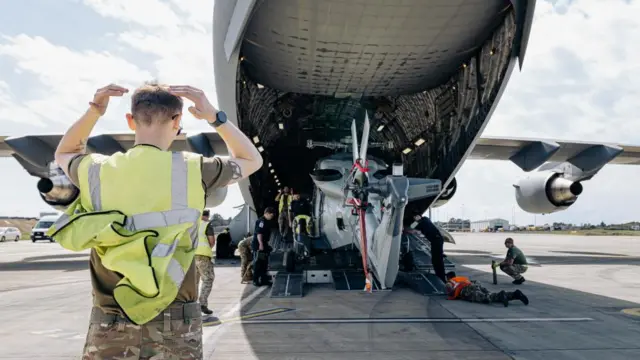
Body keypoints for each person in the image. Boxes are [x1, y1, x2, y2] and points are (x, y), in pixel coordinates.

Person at [47, 82, 262, 359]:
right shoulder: (195, 168)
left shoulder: (96, 170)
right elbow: (250, 159)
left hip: (111, 316)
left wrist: (95, 110)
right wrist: (213, 116)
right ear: (177, 121)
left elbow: (64, 152)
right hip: (175, 320)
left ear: (130, 121)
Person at [445, 271, 528, 307]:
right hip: (474, 285)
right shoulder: (462, 278)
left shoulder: (451, 281)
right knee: (491, 296)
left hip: (466, 291)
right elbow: (473, 282)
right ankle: (514, 294)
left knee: (486, 298)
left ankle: (502, 294)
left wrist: (449, 295)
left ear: (449, 277)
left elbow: (450, 289)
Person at [411, 212, 446, 283]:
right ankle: (440, 276)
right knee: (436, 259)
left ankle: (441, 278)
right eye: (414, 218)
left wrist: (416, 221)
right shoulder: (425, 219)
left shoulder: (423, 221)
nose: (415, 219)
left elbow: (412, 227)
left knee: (437, 260)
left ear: (419, 216)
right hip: (437, 240)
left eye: (416, 217)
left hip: (436, 240)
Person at [195, 209, 216, 315]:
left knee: (194, 282)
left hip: (191, 256)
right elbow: (212, 241)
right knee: (208, 279)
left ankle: (191, 304)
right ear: (208, 216)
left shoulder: (193, 224)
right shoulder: (207, 225)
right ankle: (202, 304)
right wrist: (208, 248)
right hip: (203, 256)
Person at [253, 207, 276, 286]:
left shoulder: (266, 221)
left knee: (264, 263)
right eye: (271, 215)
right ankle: (255, 280)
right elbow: (259, 233)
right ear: (266, 213)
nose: (271, 217)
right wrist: (261, 244)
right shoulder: (261, 221)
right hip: (259, 245)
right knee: (258, 263)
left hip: (264, 244)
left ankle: (264, 280)